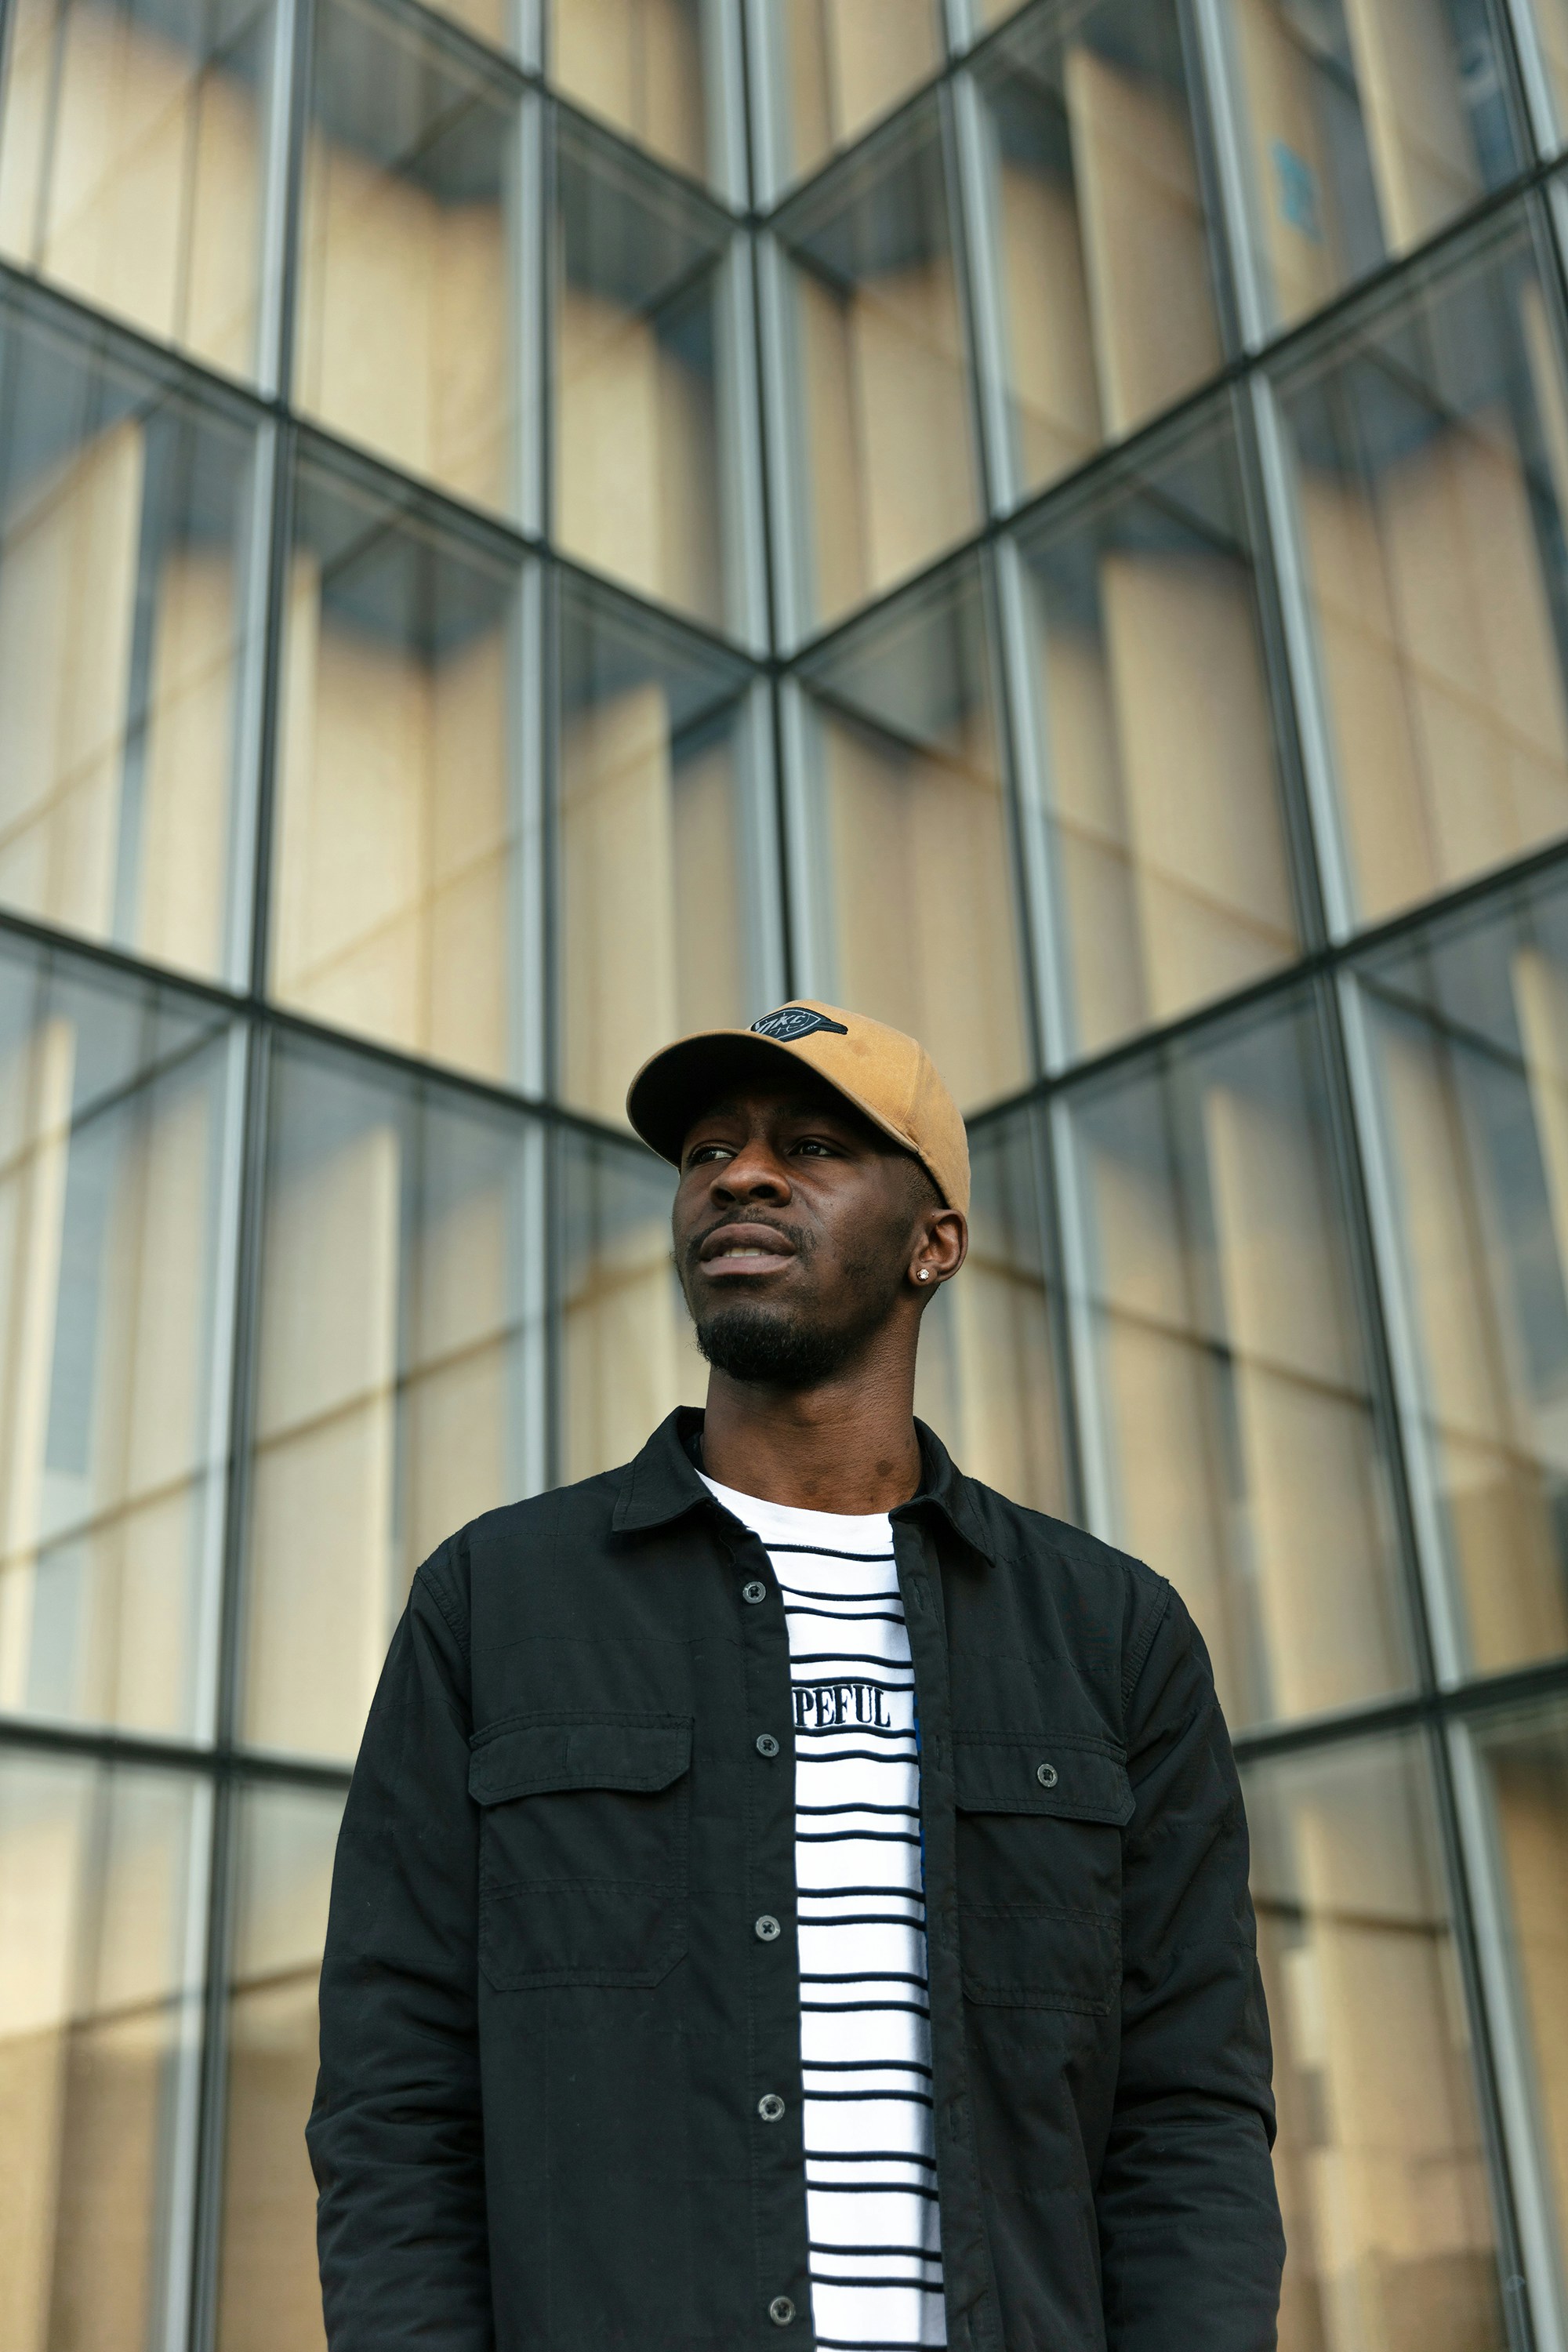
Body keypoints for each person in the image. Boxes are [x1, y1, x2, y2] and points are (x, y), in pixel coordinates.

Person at [309, 1000, 1285, 2352]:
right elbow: (394, 2096)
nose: (742, 1175)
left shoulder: (1111, 1637)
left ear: (933, 1243)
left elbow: (1190, 2111)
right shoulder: (496, 1605)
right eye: (708, 1151)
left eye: (815, 1146)